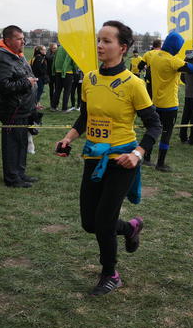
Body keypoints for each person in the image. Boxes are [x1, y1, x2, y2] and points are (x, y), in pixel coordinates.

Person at [55, 20, 162, 296]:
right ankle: (131, 228)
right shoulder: (89, 79)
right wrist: (68, 138)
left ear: (122, 48)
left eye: (106, 41)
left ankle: (110, 274)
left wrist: (137, 154)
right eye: (99, 40)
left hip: (122, 161)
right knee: (89, 223)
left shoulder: (134, 84)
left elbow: (154, 125)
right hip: (93, 157)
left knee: (104, 221)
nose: (100, 45)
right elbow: (85, 117)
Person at [142, 31, 193, 171]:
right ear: (175, 47)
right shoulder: (172, 61)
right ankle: (160, 163)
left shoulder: (154, 56)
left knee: (153, 130)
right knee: (166, 134)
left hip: (155, 102)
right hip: (169, 105)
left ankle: (146, 157)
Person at [0, 25, 38, 188]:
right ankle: (12, 178)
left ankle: (20, 173)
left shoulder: (17, 55)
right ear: (8, 40)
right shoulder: (1, 58)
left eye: (23, 38)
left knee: (22, 142)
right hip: (12, 110)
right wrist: (27, 83)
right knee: (12, 144)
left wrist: (33, 101)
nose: (23, 42)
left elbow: (27, 76)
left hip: (24, 108)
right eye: (19, 39)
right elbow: (2, 86)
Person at [51, 45, 76, 112]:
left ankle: (53, 107)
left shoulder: (59, 47)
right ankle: (64, 108)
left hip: (58, 71)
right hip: (67, 72)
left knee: (57, 89)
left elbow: (55, 59)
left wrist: (53, 70)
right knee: (67, 91)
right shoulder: (70, 47)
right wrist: (75, 69)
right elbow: (72, 61)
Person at [46, 42, 57, 107]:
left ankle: (55, 103)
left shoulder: (55, 54)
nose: (55, 49)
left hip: (56, 74)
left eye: (56, 48)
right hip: (50, 74)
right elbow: (50, 58)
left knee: (56, 89)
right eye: (54, 48)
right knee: (51, 89)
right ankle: (52, 103)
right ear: (50, 48)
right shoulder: (48, 55)